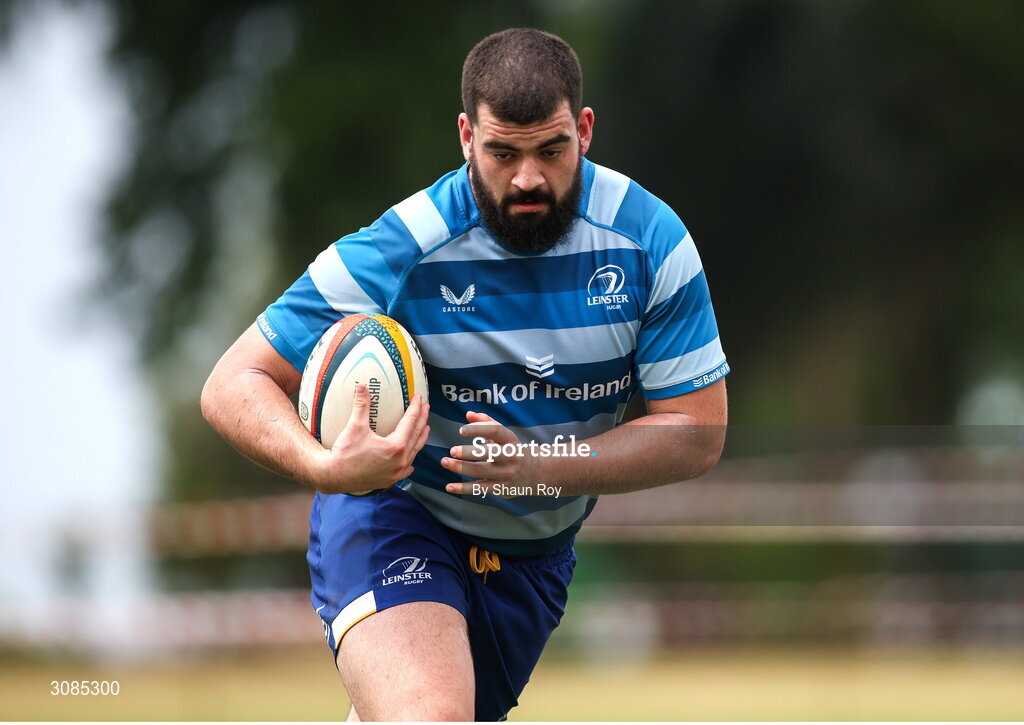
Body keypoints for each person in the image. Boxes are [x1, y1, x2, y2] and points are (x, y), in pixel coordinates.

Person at [201, 27, 728, 721]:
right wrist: (325, 466)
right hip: (396, 509)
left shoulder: (652, 245)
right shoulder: (406, 244)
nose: (528, 178)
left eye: (551, 149)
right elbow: (232, 382)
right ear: (465, 137)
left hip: (532, 559)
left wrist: (547, 465)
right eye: (502, 153)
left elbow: (697, 430)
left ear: (587, 130)